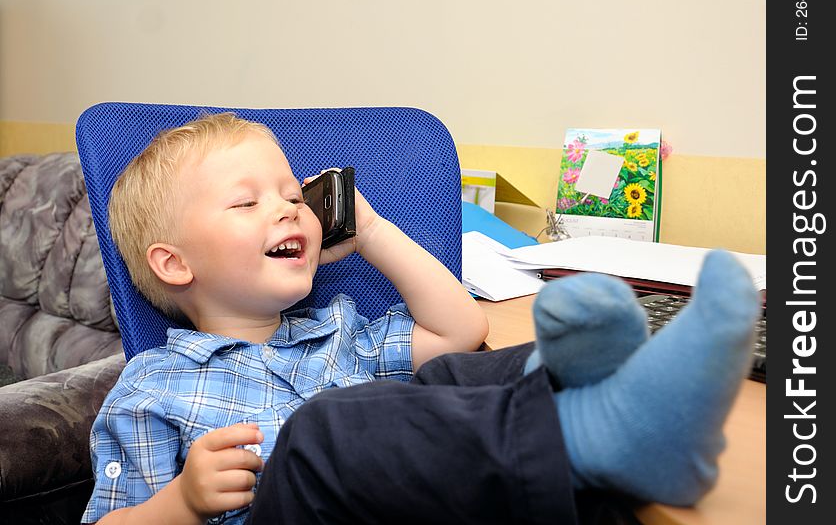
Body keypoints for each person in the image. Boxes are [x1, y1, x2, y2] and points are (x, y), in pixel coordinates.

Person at [83, 113, 761, 524]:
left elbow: (458, 330)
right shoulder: (154, 385)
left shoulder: (339, 331)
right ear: (174, 265)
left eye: (294, 195)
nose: (289, 209)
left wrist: (371, 229)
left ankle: (613, 394)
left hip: (406, 507)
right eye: (246, 203)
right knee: (321, 435)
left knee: (465, 374)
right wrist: (181, 504)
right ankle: (600, 429)